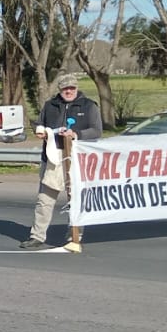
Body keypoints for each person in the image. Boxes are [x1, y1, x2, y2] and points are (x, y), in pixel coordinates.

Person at [21, 73, 102, 250]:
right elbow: (39, 124)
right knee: (44, 200)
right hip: (52, 160)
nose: (69, 91)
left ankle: (74, 235)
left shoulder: (89, 106)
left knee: (76, 200)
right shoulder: (50, 106)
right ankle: (37, 236)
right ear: (60, 89)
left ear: (77, 88)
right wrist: (40, 130)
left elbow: (97, 131)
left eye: (72, 88)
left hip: (78, 160)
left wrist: (76, 134)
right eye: (66, 88)